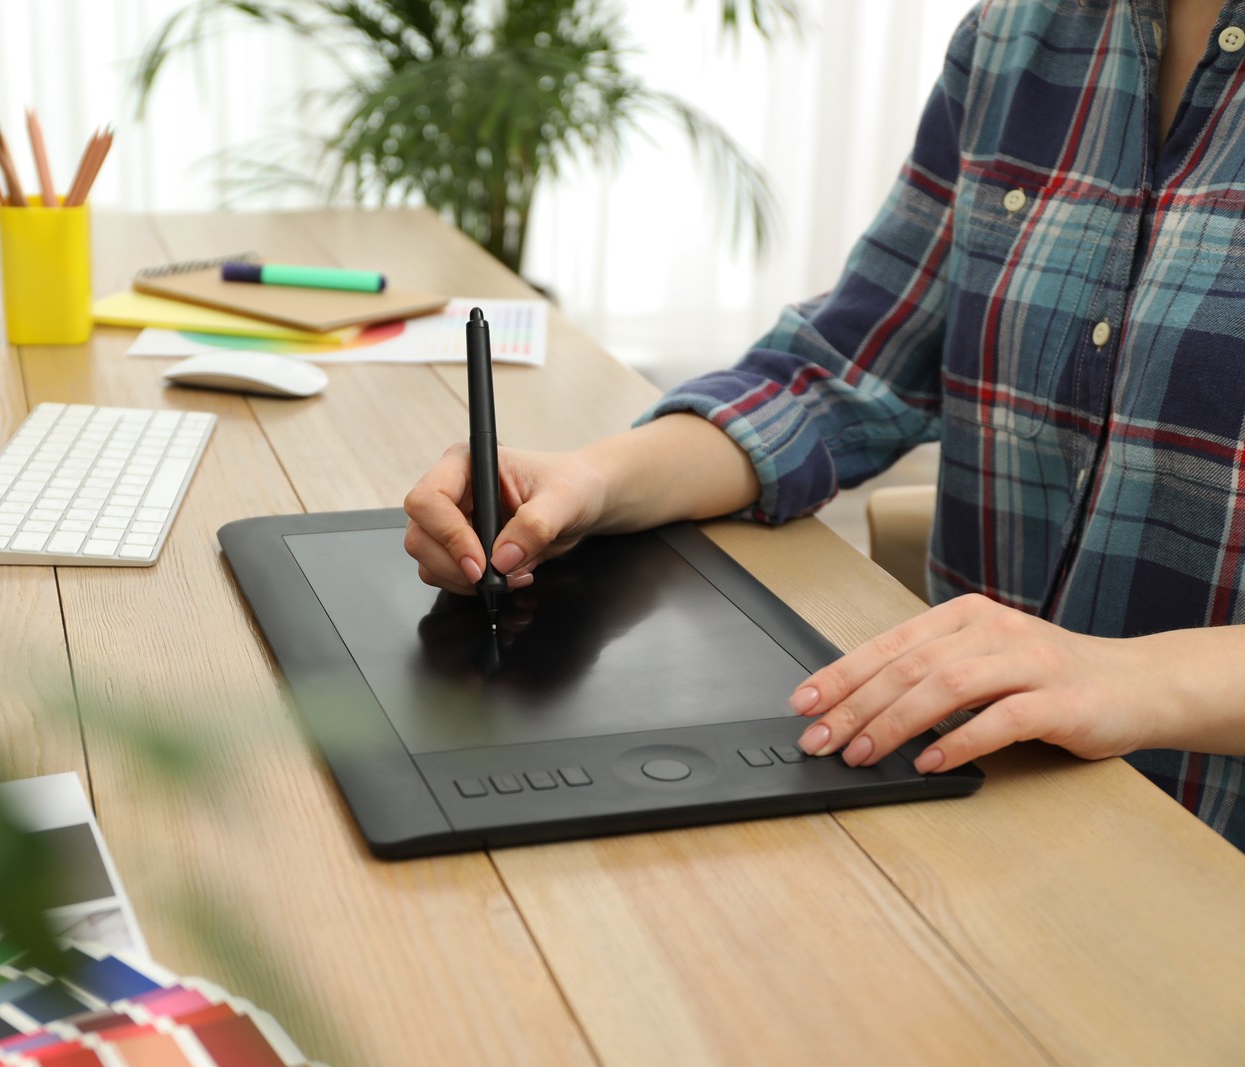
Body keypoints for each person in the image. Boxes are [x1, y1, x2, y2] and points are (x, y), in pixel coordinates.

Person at [403, 0, 1245, 849]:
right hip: (979, 807)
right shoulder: (1018, 35)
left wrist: (1130, 677)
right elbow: (846, 366)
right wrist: (591, 483)